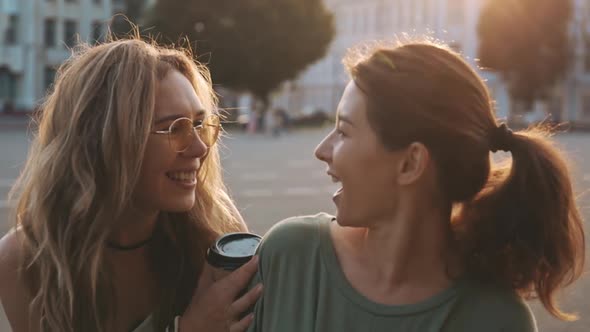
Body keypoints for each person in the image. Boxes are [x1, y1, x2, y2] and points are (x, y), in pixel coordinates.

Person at [246, 41, 586, 332]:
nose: (321, 151)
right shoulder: (288, 257)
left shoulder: (498, 321)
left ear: (410, 164)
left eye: (344, 131)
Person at [0, 35, 262, 332]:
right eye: (175, 128)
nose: (200, 149)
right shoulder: (26, 259)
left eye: (200, 125)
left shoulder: (217, 229)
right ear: (104, 140)